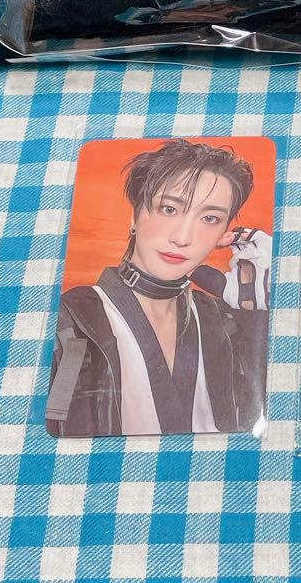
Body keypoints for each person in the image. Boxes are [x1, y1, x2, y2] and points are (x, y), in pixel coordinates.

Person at [46, 139, 269, 437]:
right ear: (134, 216)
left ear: (225, 232)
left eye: (210, 218)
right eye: (169, 208)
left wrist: (257, 316)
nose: (183, 237)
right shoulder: (68, 319)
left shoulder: (221, 318)